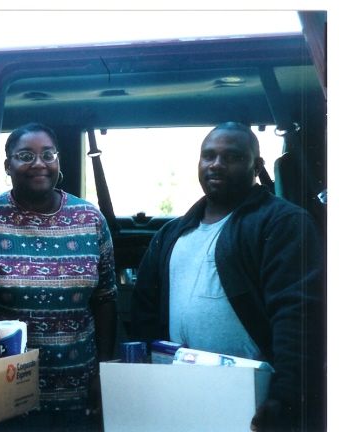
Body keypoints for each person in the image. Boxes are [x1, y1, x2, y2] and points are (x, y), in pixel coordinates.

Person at [130, 122, 325, 431]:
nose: (217, 164)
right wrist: (140, 379)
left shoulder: (282, 222)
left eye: (232, 156)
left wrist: (284, 396)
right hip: (178, 390)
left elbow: (298, 315)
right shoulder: (171, 233)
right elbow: (143, 312)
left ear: (256, 165)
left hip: (251, 395)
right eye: (209, 156)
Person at [0, 122, 117, 431]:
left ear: (58, 162)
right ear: (8, 165)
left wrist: (102, 374)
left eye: (47, 155)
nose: (38, 163)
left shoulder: (90, 219)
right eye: (25, 155)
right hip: (3, 390)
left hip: (77, 391)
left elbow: (106, 300)